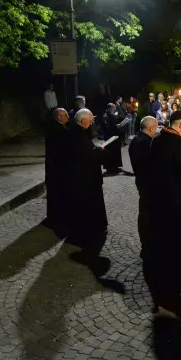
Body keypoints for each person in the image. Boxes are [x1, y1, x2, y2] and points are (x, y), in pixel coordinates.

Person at [149, 110, 181, 305]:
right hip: (177, 201)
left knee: (164, 239)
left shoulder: (158, 139)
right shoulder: (178, 142)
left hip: (160, 199)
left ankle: (163, 277)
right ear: (179, 124)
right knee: (180, 242)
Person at [66, 109, 108, 258]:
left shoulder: (77, 131)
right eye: (90, 121)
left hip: (85, 176)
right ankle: (90, 230)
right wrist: (99, 151)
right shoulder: (77, 134)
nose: (91, 123)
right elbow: (86, 156)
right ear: (83, 121)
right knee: (89, 204)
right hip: (86, 178)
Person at [130, 116, 157, 266]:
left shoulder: (135, 140)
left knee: (145, 213)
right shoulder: (146, 143)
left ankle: (147, 246)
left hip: (141, 181)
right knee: (148, 215)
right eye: (156, 128)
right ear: (151, 128)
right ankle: (148, 247)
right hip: (148, 184)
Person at [44, 108, 70, 236]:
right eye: (65, 115)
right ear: (59, 117)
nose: (68, 117)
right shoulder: (59, 131)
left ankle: (53, 217)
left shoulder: (54, 129)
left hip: (53, 168)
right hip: (58, 168)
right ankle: (57, 219)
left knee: (54, 193)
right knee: (58, 193)